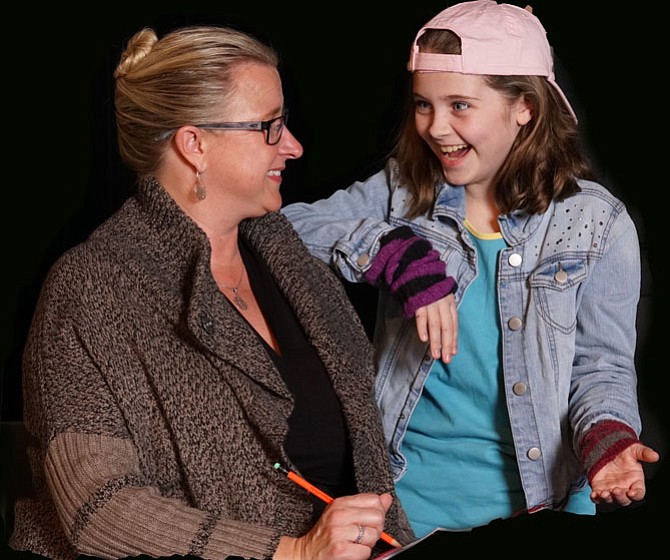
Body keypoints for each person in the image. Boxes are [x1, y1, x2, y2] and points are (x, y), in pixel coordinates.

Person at [9, 24, 415, 560]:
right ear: (194, 144)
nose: (292, 146)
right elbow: (97, 507)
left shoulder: (294, 267)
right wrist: (293, 553)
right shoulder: (90, 287)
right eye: (269, 127)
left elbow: (369, 469)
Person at [282, 0, 660, 538]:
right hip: (406, 512)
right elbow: (277, 229)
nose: (435, 128)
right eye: (423, 105)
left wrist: (606, 439)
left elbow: (600, 367)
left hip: (543, 508)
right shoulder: (402, 193)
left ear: (523, 107)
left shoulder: (596, 223)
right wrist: (394, 254)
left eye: (460, 105)